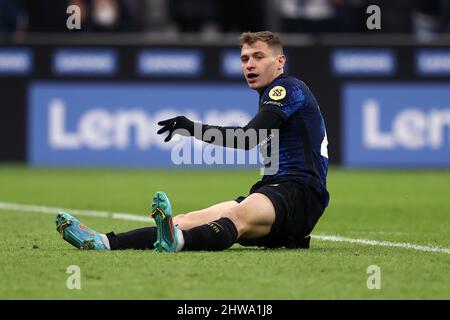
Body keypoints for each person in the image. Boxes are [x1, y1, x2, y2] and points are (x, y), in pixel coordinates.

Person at [55, 31, 330, 252]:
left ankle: (178, 244)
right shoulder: (273, 95)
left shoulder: (286, 88)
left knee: (236, 217)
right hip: (277, 193)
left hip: (299, 193)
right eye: (245, 58)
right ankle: (104, 241)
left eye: (258, 57)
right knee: (181, 221)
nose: (250, 64)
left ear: (280, 61)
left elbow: (248, 138)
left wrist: (192, 128)